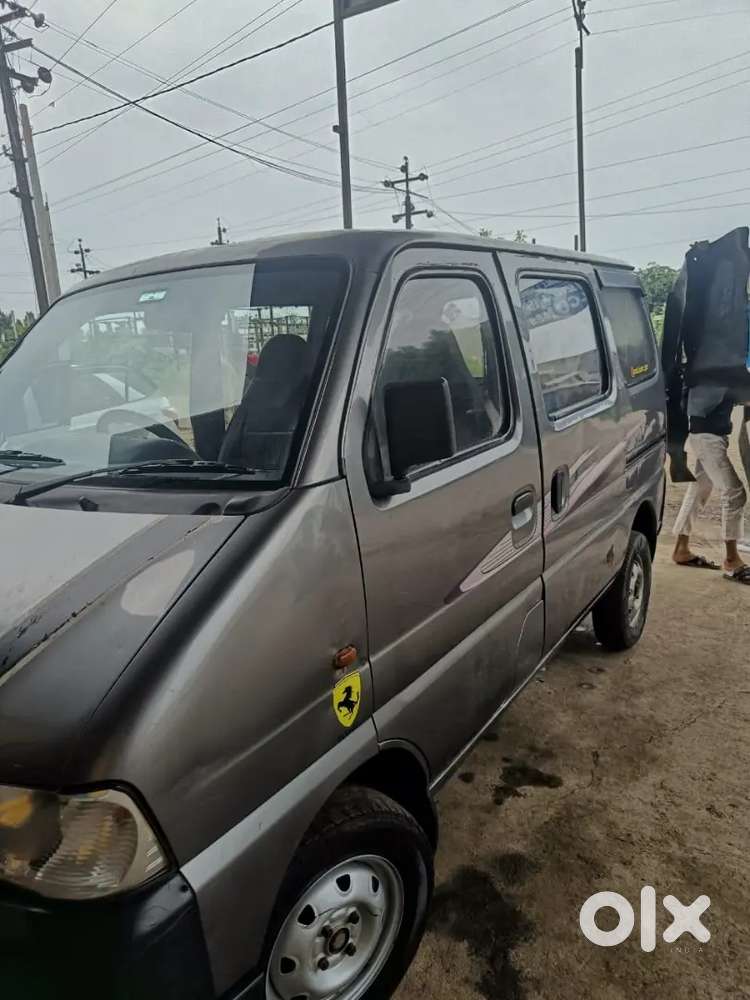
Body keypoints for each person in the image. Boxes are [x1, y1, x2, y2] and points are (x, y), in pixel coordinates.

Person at [672, 386, 750, 583]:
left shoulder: (712, 362)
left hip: (708, 433)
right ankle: (732, 560)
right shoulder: (720, 364)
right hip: (708, 437)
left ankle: (681, 548)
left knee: (700, 487)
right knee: (735, 493)